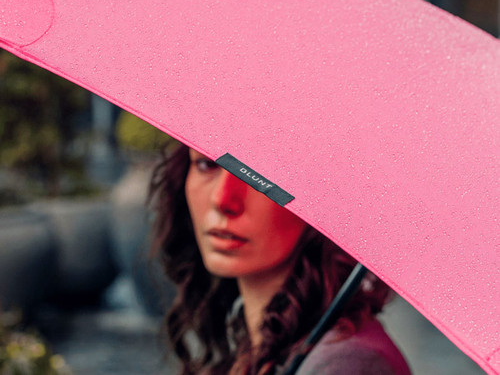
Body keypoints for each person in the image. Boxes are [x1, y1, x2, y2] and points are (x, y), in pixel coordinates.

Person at [149, 143, 411, 375]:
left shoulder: (347, 364)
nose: (222, 199)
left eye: (258, 175)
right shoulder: (248, 344)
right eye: (207, 164)